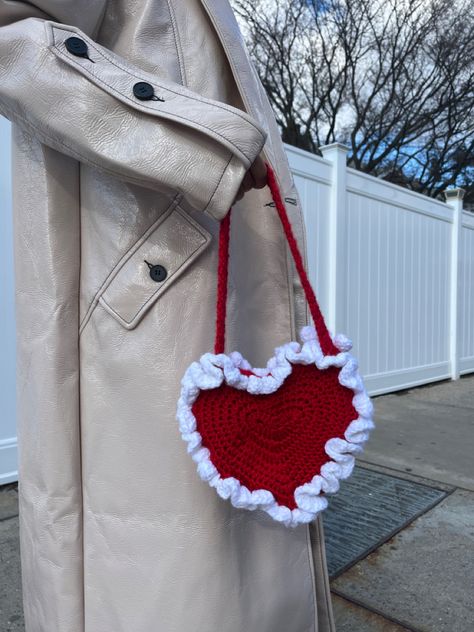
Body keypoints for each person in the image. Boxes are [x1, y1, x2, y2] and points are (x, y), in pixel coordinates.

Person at [0, 1, 337, 630]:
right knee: (174, 579)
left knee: (241, 557)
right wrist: (196, 145)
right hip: (145, 303)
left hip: (199, 280)